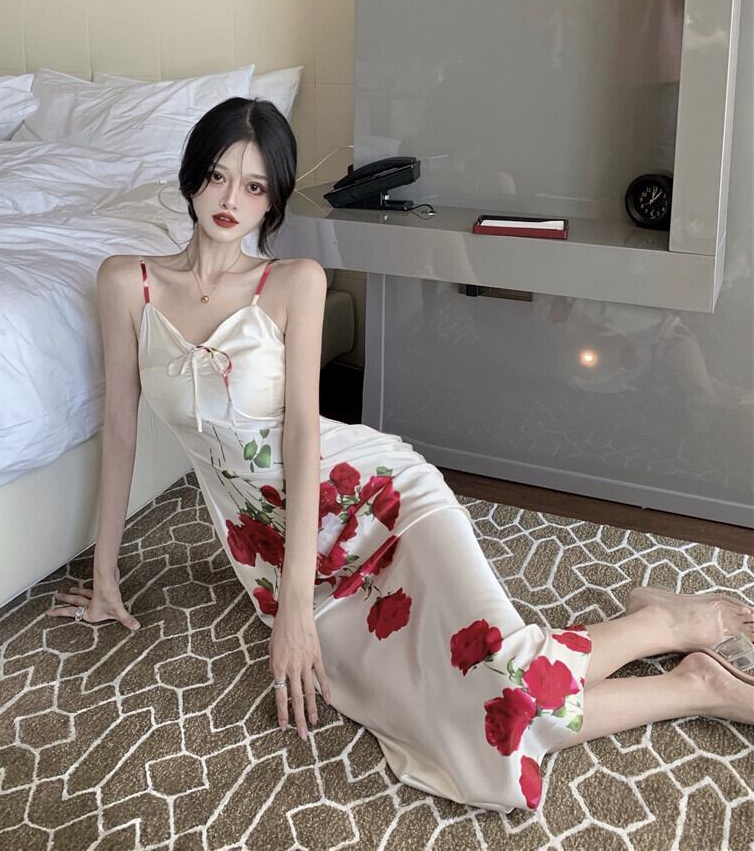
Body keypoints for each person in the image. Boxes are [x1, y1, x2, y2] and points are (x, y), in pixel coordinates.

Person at [46, 97, 754, 813]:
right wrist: (106, 578)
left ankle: (686, 663)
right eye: (218, 176)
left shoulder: (293, 282)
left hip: (380, 500)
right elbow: (122, 431)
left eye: (255, 186)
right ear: (191, 174)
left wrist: (294, 613)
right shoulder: (126, 283)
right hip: (269, 548)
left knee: (504, 688)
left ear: (274, 199)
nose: (232, 201)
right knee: (457, 725)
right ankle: (673, 644)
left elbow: (302, 436)